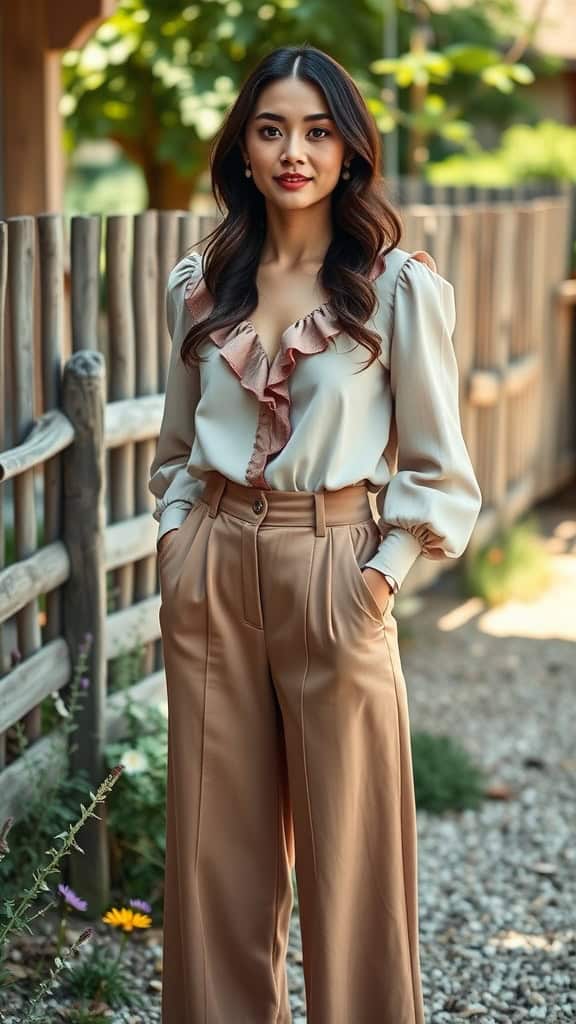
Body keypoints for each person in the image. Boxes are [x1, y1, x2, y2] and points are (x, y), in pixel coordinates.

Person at [149, 43, 482, 1024]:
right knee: (216, 860)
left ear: (348, 151)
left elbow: (438, 469)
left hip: (334, 567)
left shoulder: (394, 290)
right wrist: (176, 544)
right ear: (243, 151)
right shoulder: (200, 288)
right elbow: (174, 450)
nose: (294, 149)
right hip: (211, 568)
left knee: (353, 863)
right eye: (271, 128)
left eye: (317, 129)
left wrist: (377, 578)